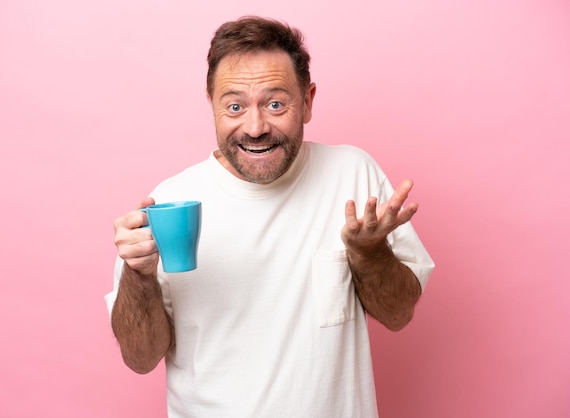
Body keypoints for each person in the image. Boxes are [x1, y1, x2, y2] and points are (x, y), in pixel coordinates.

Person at [106, 16, 434, 418]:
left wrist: (368, 253)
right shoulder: (170, 201)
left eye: (275, 103)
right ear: (212, 104)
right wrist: (137, 275)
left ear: (308, 101)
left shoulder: (353, 175)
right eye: (235, 106)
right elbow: (140, 358)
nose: (256, 127)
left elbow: (398, 315)